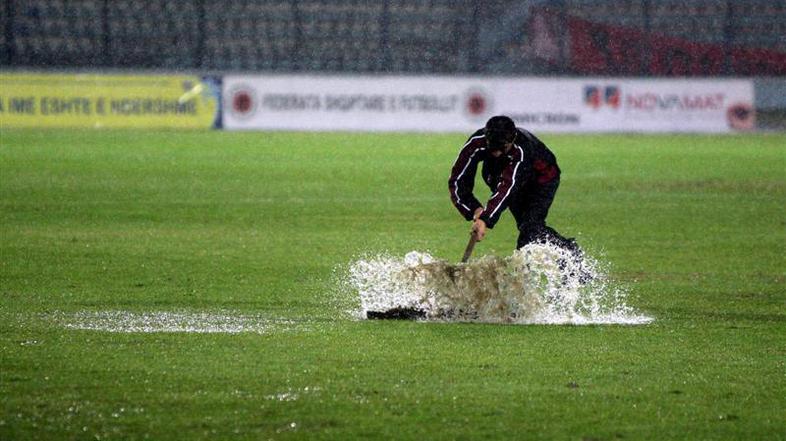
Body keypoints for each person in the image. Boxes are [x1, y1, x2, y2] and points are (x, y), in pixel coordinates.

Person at [448, 115, 580, 253]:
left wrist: (485, 219)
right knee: (528, 230)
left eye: (501, 148)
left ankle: (569, 252)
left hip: (543, 179)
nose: (496, 153)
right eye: (492, 147)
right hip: (504, 175)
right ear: (486, 138)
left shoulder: (523, 149)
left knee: (530, 229)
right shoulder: (477, 142)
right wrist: (474, 209)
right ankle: (566, 252)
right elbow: (457, 180)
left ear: (512, 139)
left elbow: (508, 188)